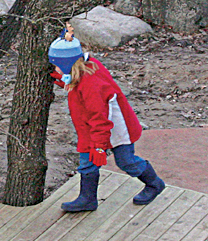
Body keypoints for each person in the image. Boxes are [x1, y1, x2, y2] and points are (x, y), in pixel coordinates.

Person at [48, 28, 166, 212]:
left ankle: (154, 183)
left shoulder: (91, 84)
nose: (54, 69)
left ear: (67, 64)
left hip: (116, 128)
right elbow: (72, 81)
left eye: (56, 66)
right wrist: (58, 78)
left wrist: (99, 146)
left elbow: (100, 118)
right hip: (92, 129)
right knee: (86, 162)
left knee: (126, 161)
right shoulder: (83, 68)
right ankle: (87, 198)